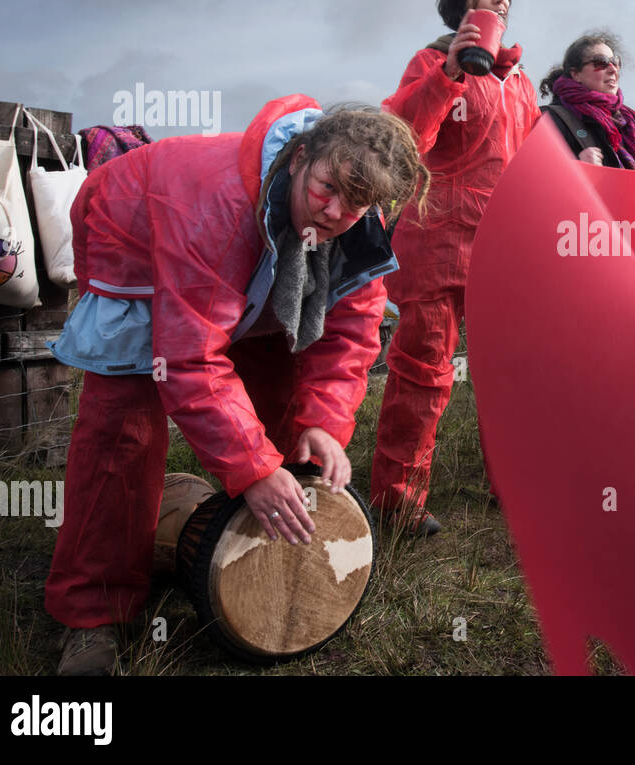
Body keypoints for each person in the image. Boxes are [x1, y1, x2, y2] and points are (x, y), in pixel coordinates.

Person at [45, 97, 428, 675]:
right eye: (326, 188)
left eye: (355, 204)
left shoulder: (352, 220)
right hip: (136, 234)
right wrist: (250, 468)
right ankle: (93, 613)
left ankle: (255, 562)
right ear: (300, 159)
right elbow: (189, 357)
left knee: (283, 405)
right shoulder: (214, 206)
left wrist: (324, 422)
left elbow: (350, 333)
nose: (333, 211)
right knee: (123, 427)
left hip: (252, 259)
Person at [373, 0, 539, 534]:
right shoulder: (429, 60)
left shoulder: (518, 79)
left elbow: (533, 159)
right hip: (437, 237)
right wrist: (447, 72)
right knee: (424, 370)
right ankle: (398, 501)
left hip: (503, 245)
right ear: (462, 6)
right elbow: (403, 136)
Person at [538, 32, 635, 172]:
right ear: (576, 74)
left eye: (615, 62)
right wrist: (577, 166)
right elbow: (532, 176)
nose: (613, 69)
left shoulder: (631, 120)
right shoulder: (551, 118)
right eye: (601, 62)